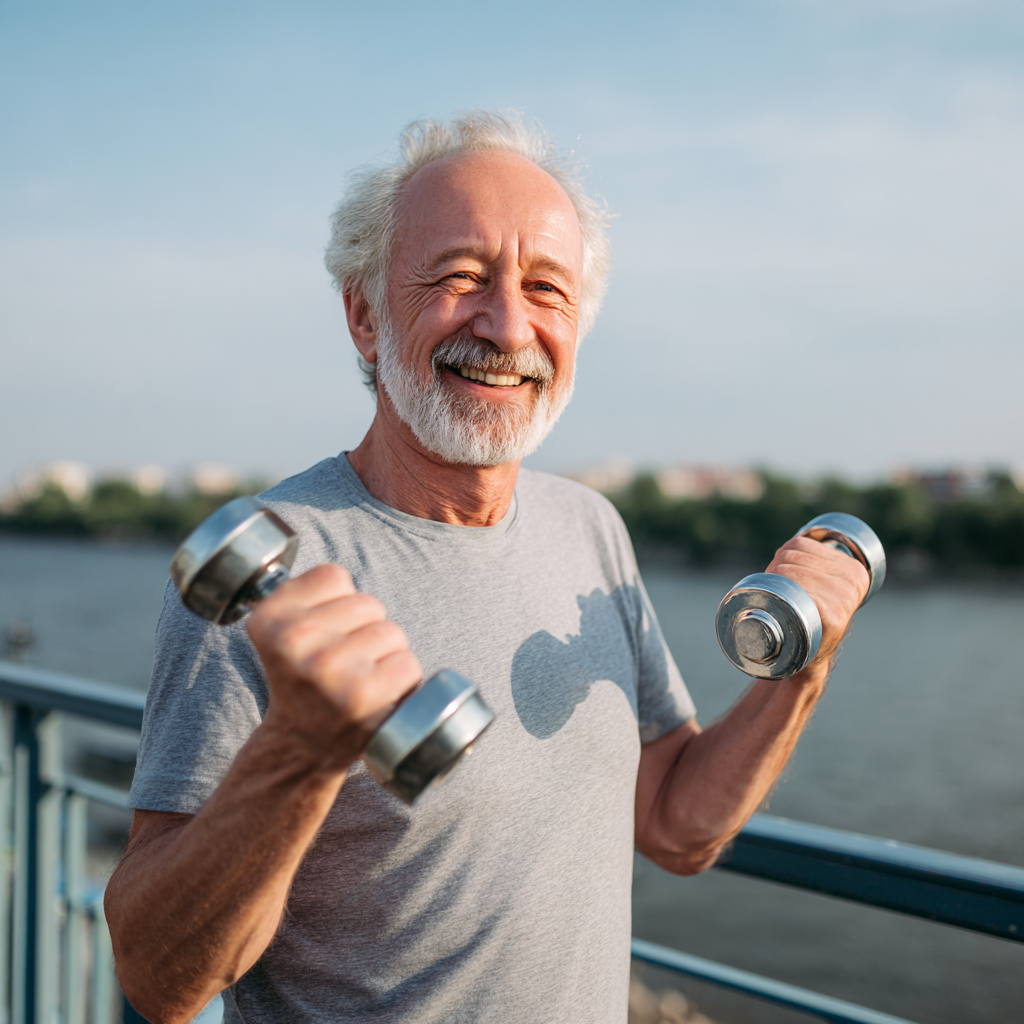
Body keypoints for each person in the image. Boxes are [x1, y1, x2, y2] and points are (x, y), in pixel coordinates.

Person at [105, 111, 867, 1024]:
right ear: (364, 316)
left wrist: (802, 668)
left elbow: (674, 826)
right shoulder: (275, 571)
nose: (507, 327)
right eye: (459, 277)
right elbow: (159, 980)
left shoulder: (591, 528)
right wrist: (297, 756)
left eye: (546, 289)